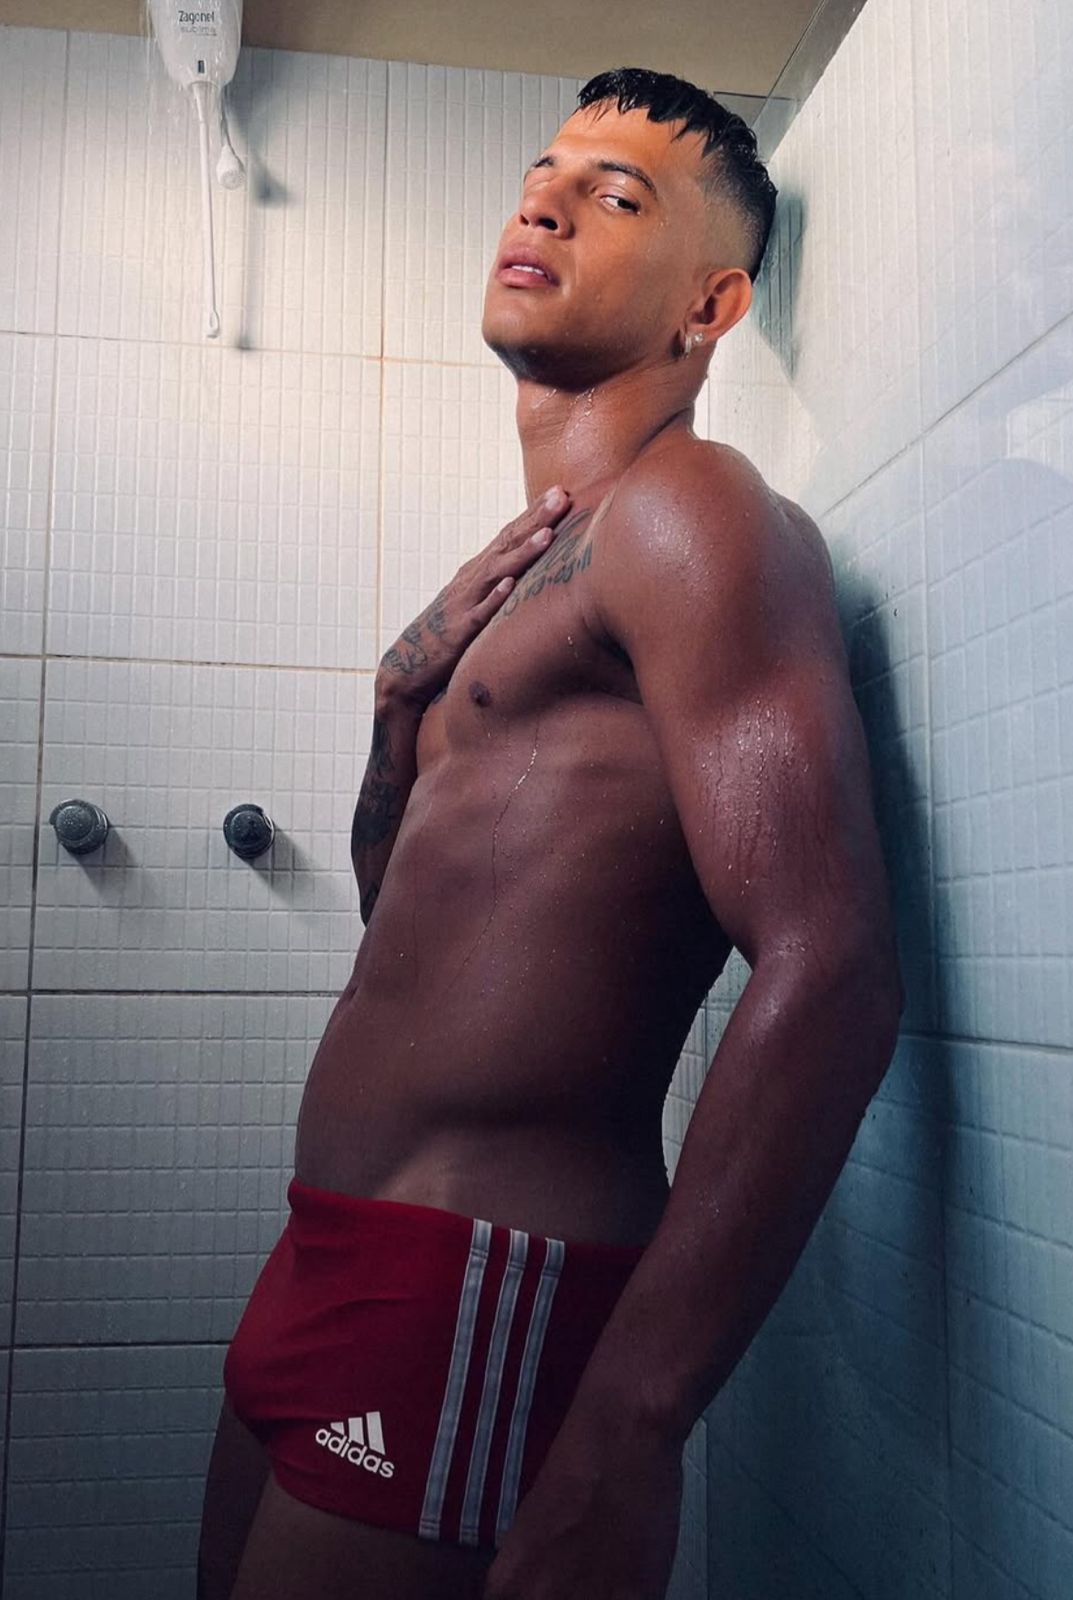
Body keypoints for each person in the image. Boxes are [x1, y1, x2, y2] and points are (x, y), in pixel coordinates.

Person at [198, 66, 904, 1600]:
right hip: (334, 1249)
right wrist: (397, 710)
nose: (546, 204)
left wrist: (630, 1428)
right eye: (544, 176)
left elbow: (832, 964)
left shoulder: (688, 510)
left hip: (478, 1275)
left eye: (613, 194)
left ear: (708, 307)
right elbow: (412, 934)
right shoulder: (526, 573)